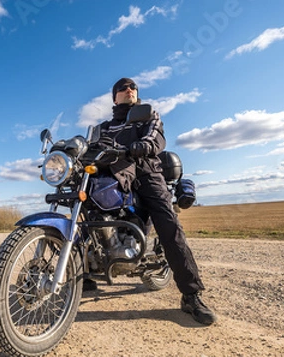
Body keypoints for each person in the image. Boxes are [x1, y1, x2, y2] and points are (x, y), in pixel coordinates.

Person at [91, 77, 217, 326]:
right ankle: (83, 274)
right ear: (114, 97)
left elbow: (155, 138)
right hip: (115, 174)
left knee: (168, 225)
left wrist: (141, 146)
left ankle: (191, 295)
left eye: (132, 88)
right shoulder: (104, 127)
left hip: (146, 172)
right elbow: (93, 146)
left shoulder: (148, 115)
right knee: (89, 207)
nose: (129, 90)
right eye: (122, 88)